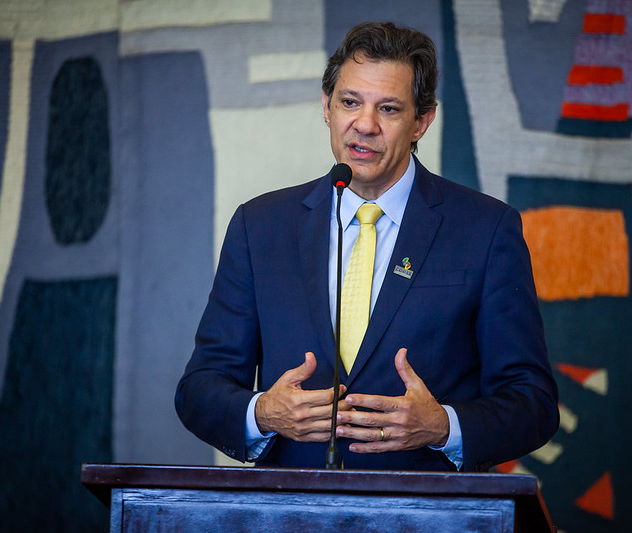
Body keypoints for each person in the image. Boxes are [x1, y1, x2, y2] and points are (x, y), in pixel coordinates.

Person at [175, 21, 558, 472]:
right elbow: (200, 388)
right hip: (290, 511)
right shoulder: (259, 228)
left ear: (422, 121)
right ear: (326, 105)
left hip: (429, 515)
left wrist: (443, 427)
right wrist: (262, 413)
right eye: (350, 102)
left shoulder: (487, 230)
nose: (364, 125)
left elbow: (533, 403)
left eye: (389, 109)